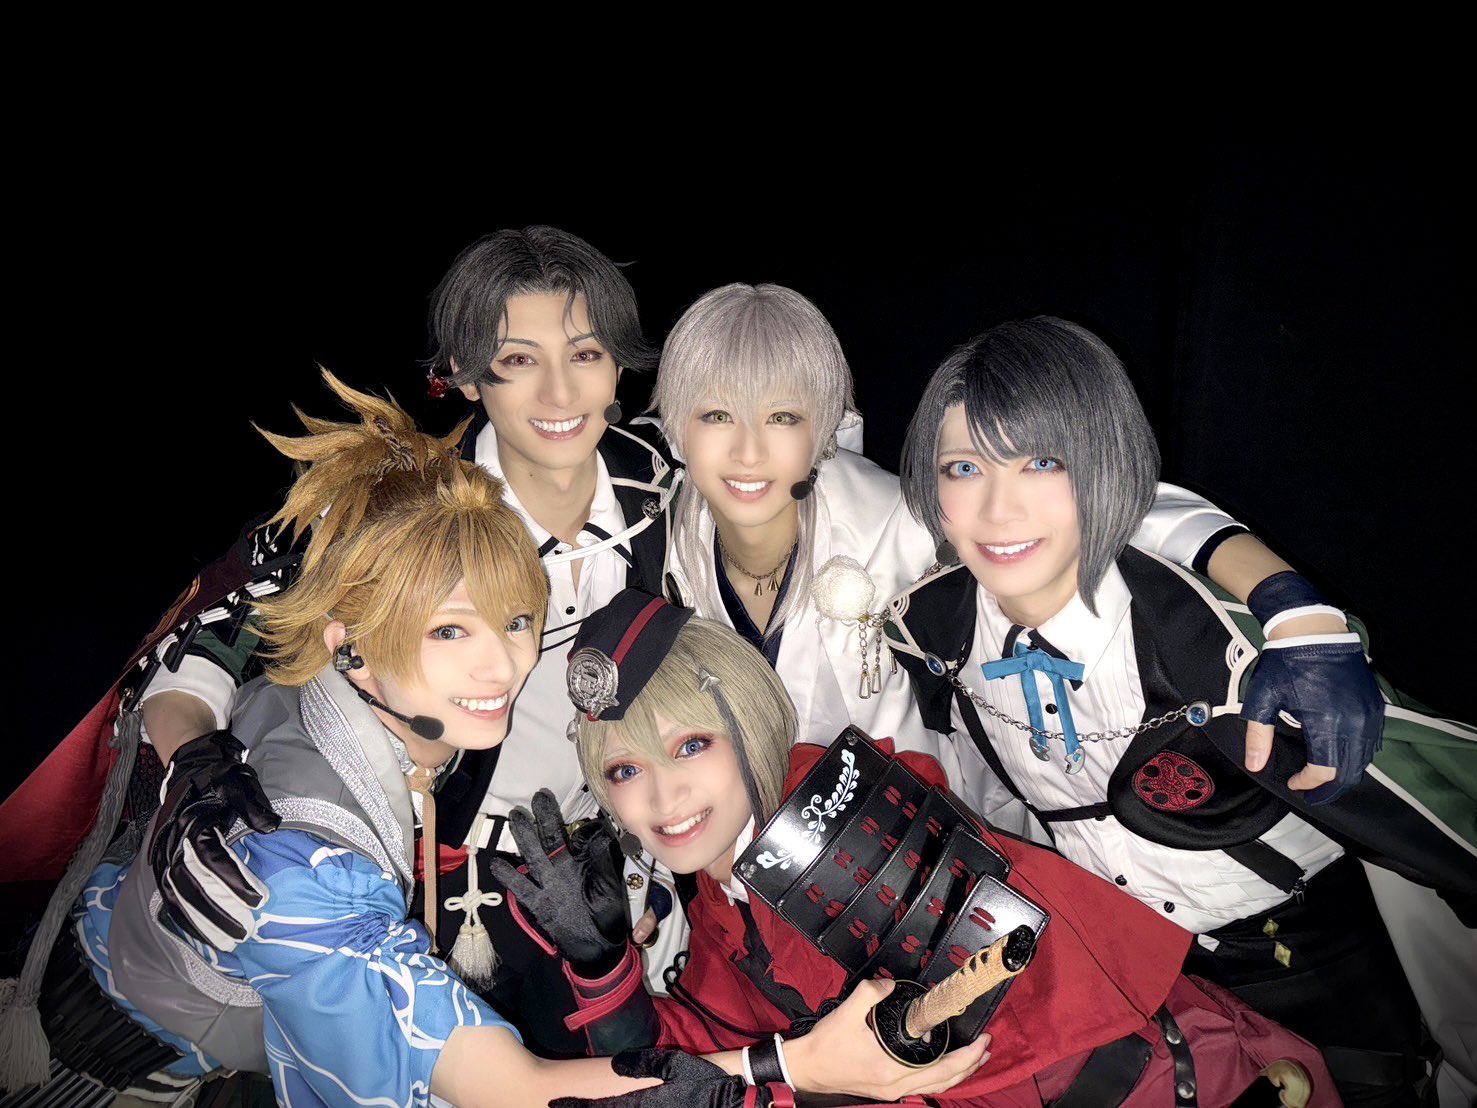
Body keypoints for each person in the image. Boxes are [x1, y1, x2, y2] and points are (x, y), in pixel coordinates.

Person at [0, 375, 976, 1108]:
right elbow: (510, 1089)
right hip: (117, 1065)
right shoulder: (307, 871)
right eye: (447, 631)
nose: (498, 666)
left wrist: (189, 751)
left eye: (512, 620)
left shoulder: (350, 683)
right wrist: (799, 1064)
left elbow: (226, 628)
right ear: (349, 642)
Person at [0, 226, 692, 1040]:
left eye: (585, 354)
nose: (559, 393)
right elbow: (213, 635)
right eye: (516, 359)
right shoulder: (398, 501)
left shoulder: (665, 486)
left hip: (613, 851)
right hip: (436, 863)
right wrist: (196, 768)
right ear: (466, 374)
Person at [885, 317, 1477, 1106]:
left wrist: (1296, 612)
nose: (997, 509)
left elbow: (1433, 801)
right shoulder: (931, 631)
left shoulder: (1207, 642)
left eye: (1041, 461)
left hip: (1307, 957)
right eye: (963, 468)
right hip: (1139, 974)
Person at [493, 588, 1337, 1107]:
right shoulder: (722, 884)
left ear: (746, 722)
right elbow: (692, 1058)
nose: (662, 798)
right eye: (625, 770)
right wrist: (601, 968)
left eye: (690, 746)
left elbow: (894, 1060)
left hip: (1162, 1084)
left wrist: (770, 1074)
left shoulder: (835, 817)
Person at [651, 284, 1386, 819]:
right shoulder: (658, 535)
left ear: (825, 425)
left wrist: (1293, 610)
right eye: (716, 415)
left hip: (929, 843)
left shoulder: (897, 520)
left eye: (782, 415)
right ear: (676, 425)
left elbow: (1111, 503)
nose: (748, 450)